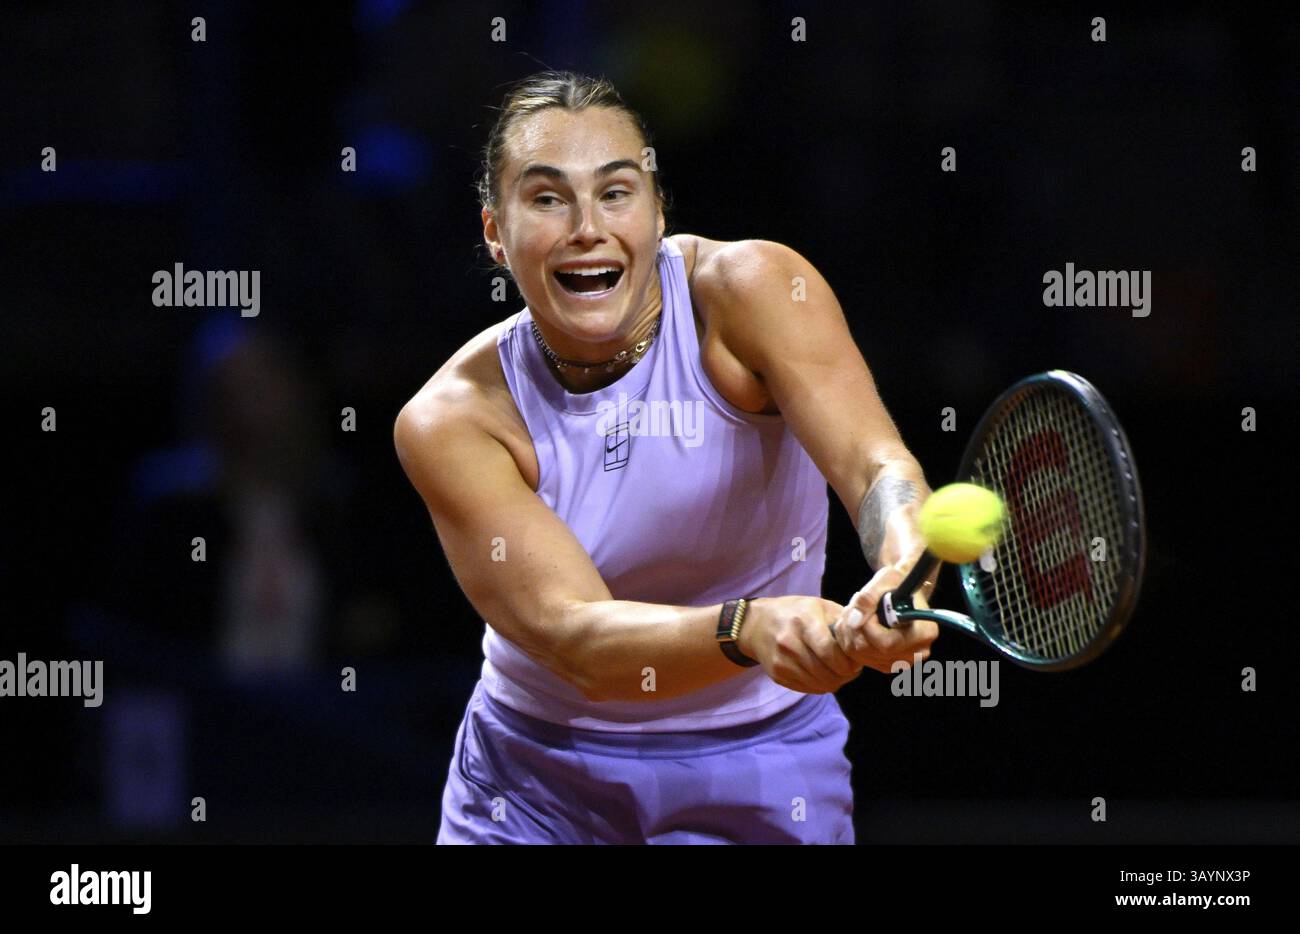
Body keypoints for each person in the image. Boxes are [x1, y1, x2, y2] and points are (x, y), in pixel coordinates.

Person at [395, 71, 938, 844]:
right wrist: (747, 628)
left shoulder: (754, 293)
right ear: (494, 232)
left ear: (657, 214)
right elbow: (579, 638)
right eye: (547, 198)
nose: (587, 227)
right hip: (535, 782)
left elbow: (876, 467)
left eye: (616, 193)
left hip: (761, 765)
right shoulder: (451, 419)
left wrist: (903, 560)